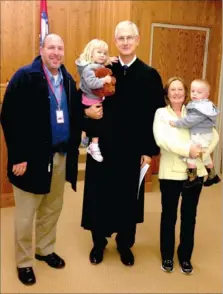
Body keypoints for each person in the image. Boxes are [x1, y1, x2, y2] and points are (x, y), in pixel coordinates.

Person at [0, 34, 82, 285]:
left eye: (60, 47)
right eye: (51, 48)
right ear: (41, 50)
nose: (56, 52)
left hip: (59, 155)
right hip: (30, 159)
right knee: (26, 214)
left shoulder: (68, 80)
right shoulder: (25, 76)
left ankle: (44, 249)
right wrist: (18, 156)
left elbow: (75, 113)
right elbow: (9, 118)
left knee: (52, 208)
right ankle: (24, 262)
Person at [81, 20, 165, 266]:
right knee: (100, 195)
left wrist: (149, 151)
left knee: (129, 198)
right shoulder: (103, 70)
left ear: (137, 40)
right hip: (103, 147)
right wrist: (86, 116)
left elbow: (157, 115)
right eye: (121, 38)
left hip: (132, 149)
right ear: (115, 41)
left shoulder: (150, 75)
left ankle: (125, 244)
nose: (125, 42)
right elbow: (84, 99)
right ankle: (98, 243)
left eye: (130, 37)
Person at [153, 77, 219, 274]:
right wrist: (188, 150)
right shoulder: (161, 114)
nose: (176, 93)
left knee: (189, 216)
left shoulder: (196, 109)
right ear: (167, 93)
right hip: (171, 172)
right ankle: (167, 255)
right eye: (172, 89)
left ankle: (185, 257)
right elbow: (162, 140)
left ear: (186, 92)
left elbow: (213, 136)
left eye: (180, 89)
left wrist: (201, 154)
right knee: (169, 216)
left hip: (195, 171)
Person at [169, 79, 221, 187]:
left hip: (201, 134)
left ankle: (192, 178)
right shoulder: (201, 105)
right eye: (193, 91)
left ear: (207, 95)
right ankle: (213, 175)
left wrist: (177, 123)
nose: (195, 94)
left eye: (199, 92)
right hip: (203, 134)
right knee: (203, 154)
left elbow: (190, 120)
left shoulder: (201, 108)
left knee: (191, 152)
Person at [76, 39, 117, 162]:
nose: (102, 55)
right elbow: (92, 83)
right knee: (97, 122)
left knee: (94, 121)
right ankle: (93, 145)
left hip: (95, 98)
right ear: (90, 53)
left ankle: (85, 136)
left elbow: (102, 66)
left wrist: (110, 59)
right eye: (99, 52)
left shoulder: (96, 66)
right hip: (91, 99)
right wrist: (104, 81)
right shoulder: (89, 69)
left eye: (105, 53)